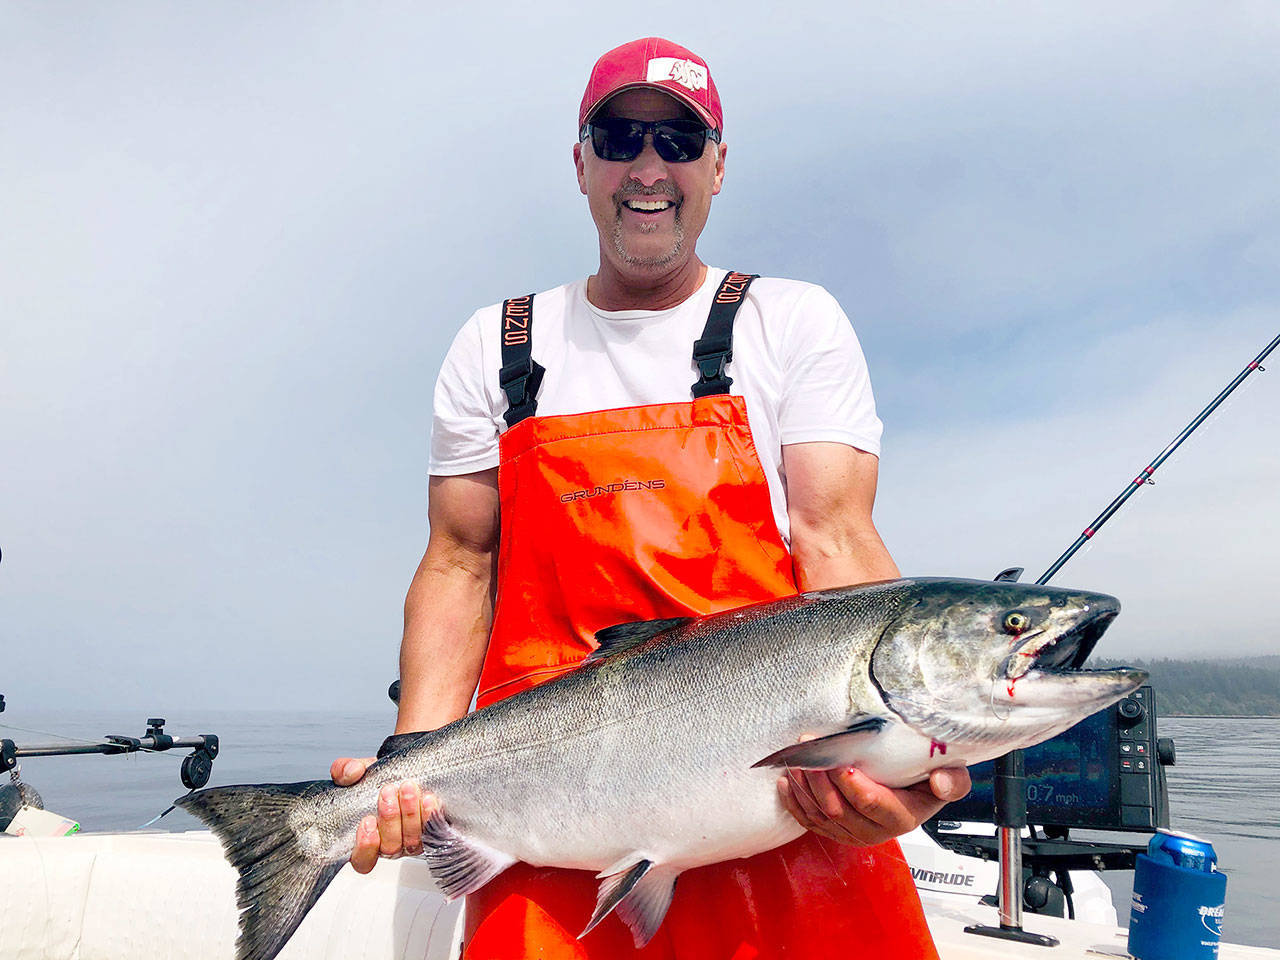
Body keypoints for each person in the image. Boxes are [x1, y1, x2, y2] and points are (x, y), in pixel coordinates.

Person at [332, 36, 971, 959]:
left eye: (679, 142)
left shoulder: (790, 322)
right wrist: (411, 766)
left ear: (718, 165)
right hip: (559, 821)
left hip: (788, 812)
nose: (648, 167)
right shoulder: (498, 344)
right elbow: (457, 562)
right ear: (581, 161)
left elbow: (837, 538)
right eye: (621, 135)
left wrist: (903, 756)